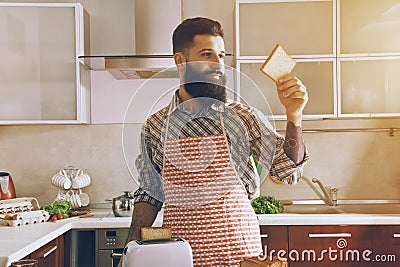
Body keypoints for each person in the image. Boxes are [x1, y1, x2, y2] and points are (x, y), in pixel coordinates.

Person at [119, 17, 309, 267]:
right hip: (180, 255)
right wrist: (129, 252)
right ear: (180, 61)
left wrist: (294, 116)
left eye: (220, 55)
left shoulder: (242, 117)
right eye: (206, 54)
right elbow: (149, 194)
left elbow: (287, 170)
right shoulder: (156, 126)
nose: (218, 64)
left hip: (239, 254)